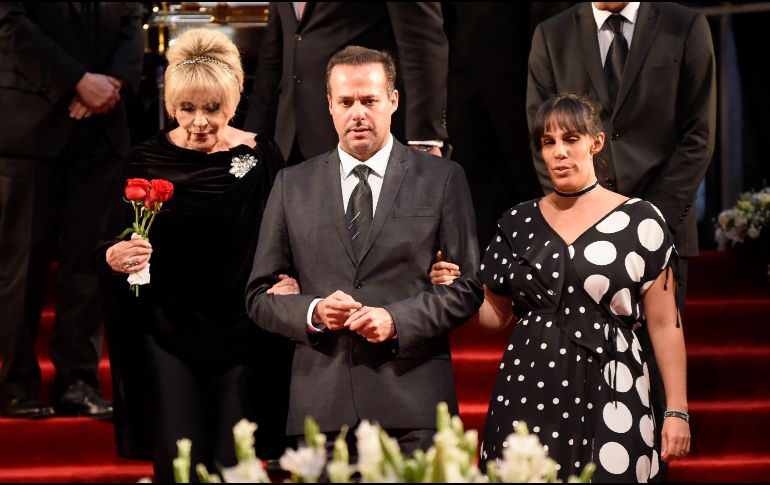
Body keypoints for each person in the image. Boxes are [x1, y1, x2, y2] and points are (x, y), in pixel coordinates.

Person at [430, 93, 691, 482]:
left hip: (614, 388)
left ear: (595, 142)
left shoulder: (640, 220)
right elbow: (494, 317)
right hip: (527, 384)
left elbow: (665, 324)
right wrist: (455, 289)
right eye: (548, 142)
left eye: (570, 139)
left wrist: (676, 410)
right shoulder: (517, 223)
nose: (559, 152)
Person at [245, 45, 482, 456]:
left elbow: (467, 288)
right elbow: (258, 296)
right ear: (330, 106)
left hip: (415, 404)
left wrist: (397, 318)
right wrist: (312, 311)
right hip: (321, 407)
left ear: (393, 100)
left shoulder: (442, 178)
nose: (358, 113)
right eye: (346, 101)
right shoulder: (290, 184)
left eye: (369, 100)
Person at [98, 29, 294, 481]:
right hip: (165, 332)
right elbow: (107, 241)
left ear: (234, 99)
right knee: (180, 461)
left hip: (243, 330)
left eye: (213, 108)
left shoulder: (262, 156)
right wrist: (114, 256)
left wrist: (289, 276)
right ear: (170, 104)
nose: (200, 121)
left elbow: (285, 234)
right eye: (187, 108)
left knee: (235, 462)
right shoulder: (144, 159)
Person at [0, 3, 144, 419]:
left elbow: (133, 20)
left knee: (89, 263)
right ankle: (16, 384)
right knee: (22, 264)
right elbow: (9, 22)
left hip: (103, 126)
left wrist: (111, 83)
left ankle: (77, 381)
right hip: (30, 123)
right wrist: (76, 83)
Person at [244, 2, 449, 165]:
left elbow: (420, 43)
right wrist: (251, 138)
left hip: (367, 138)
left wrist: (423, 139)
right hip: (288, 140)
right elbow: (273, 57)